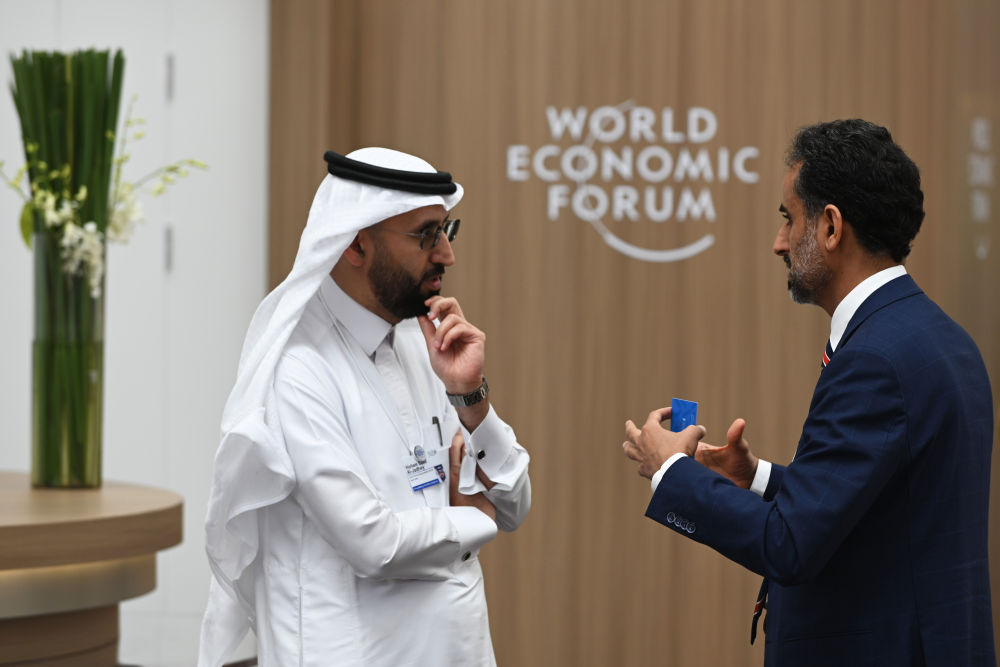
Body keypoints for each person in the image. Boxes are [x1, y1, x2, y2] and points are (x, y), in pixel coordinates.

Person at [622, 119, 994, 666]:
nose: (779, 242)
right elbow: (887, 508)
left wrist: (670, 470)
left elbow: (790, 544)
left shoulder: (873, 359)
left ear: (831, 227)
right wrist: (758, 479)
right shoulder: (941, 338)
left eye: (788, 219)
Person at [199, 148, 531, 667]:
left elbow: (514, 503)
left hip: (454, 649)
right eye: (426, 235)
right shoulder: (299, 369)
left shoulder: (423, 344)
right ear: (357, 243)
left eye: (447, 230)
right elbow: (374, 543)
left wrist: (471, 400)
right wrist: (472, 520)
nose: (446, 254)